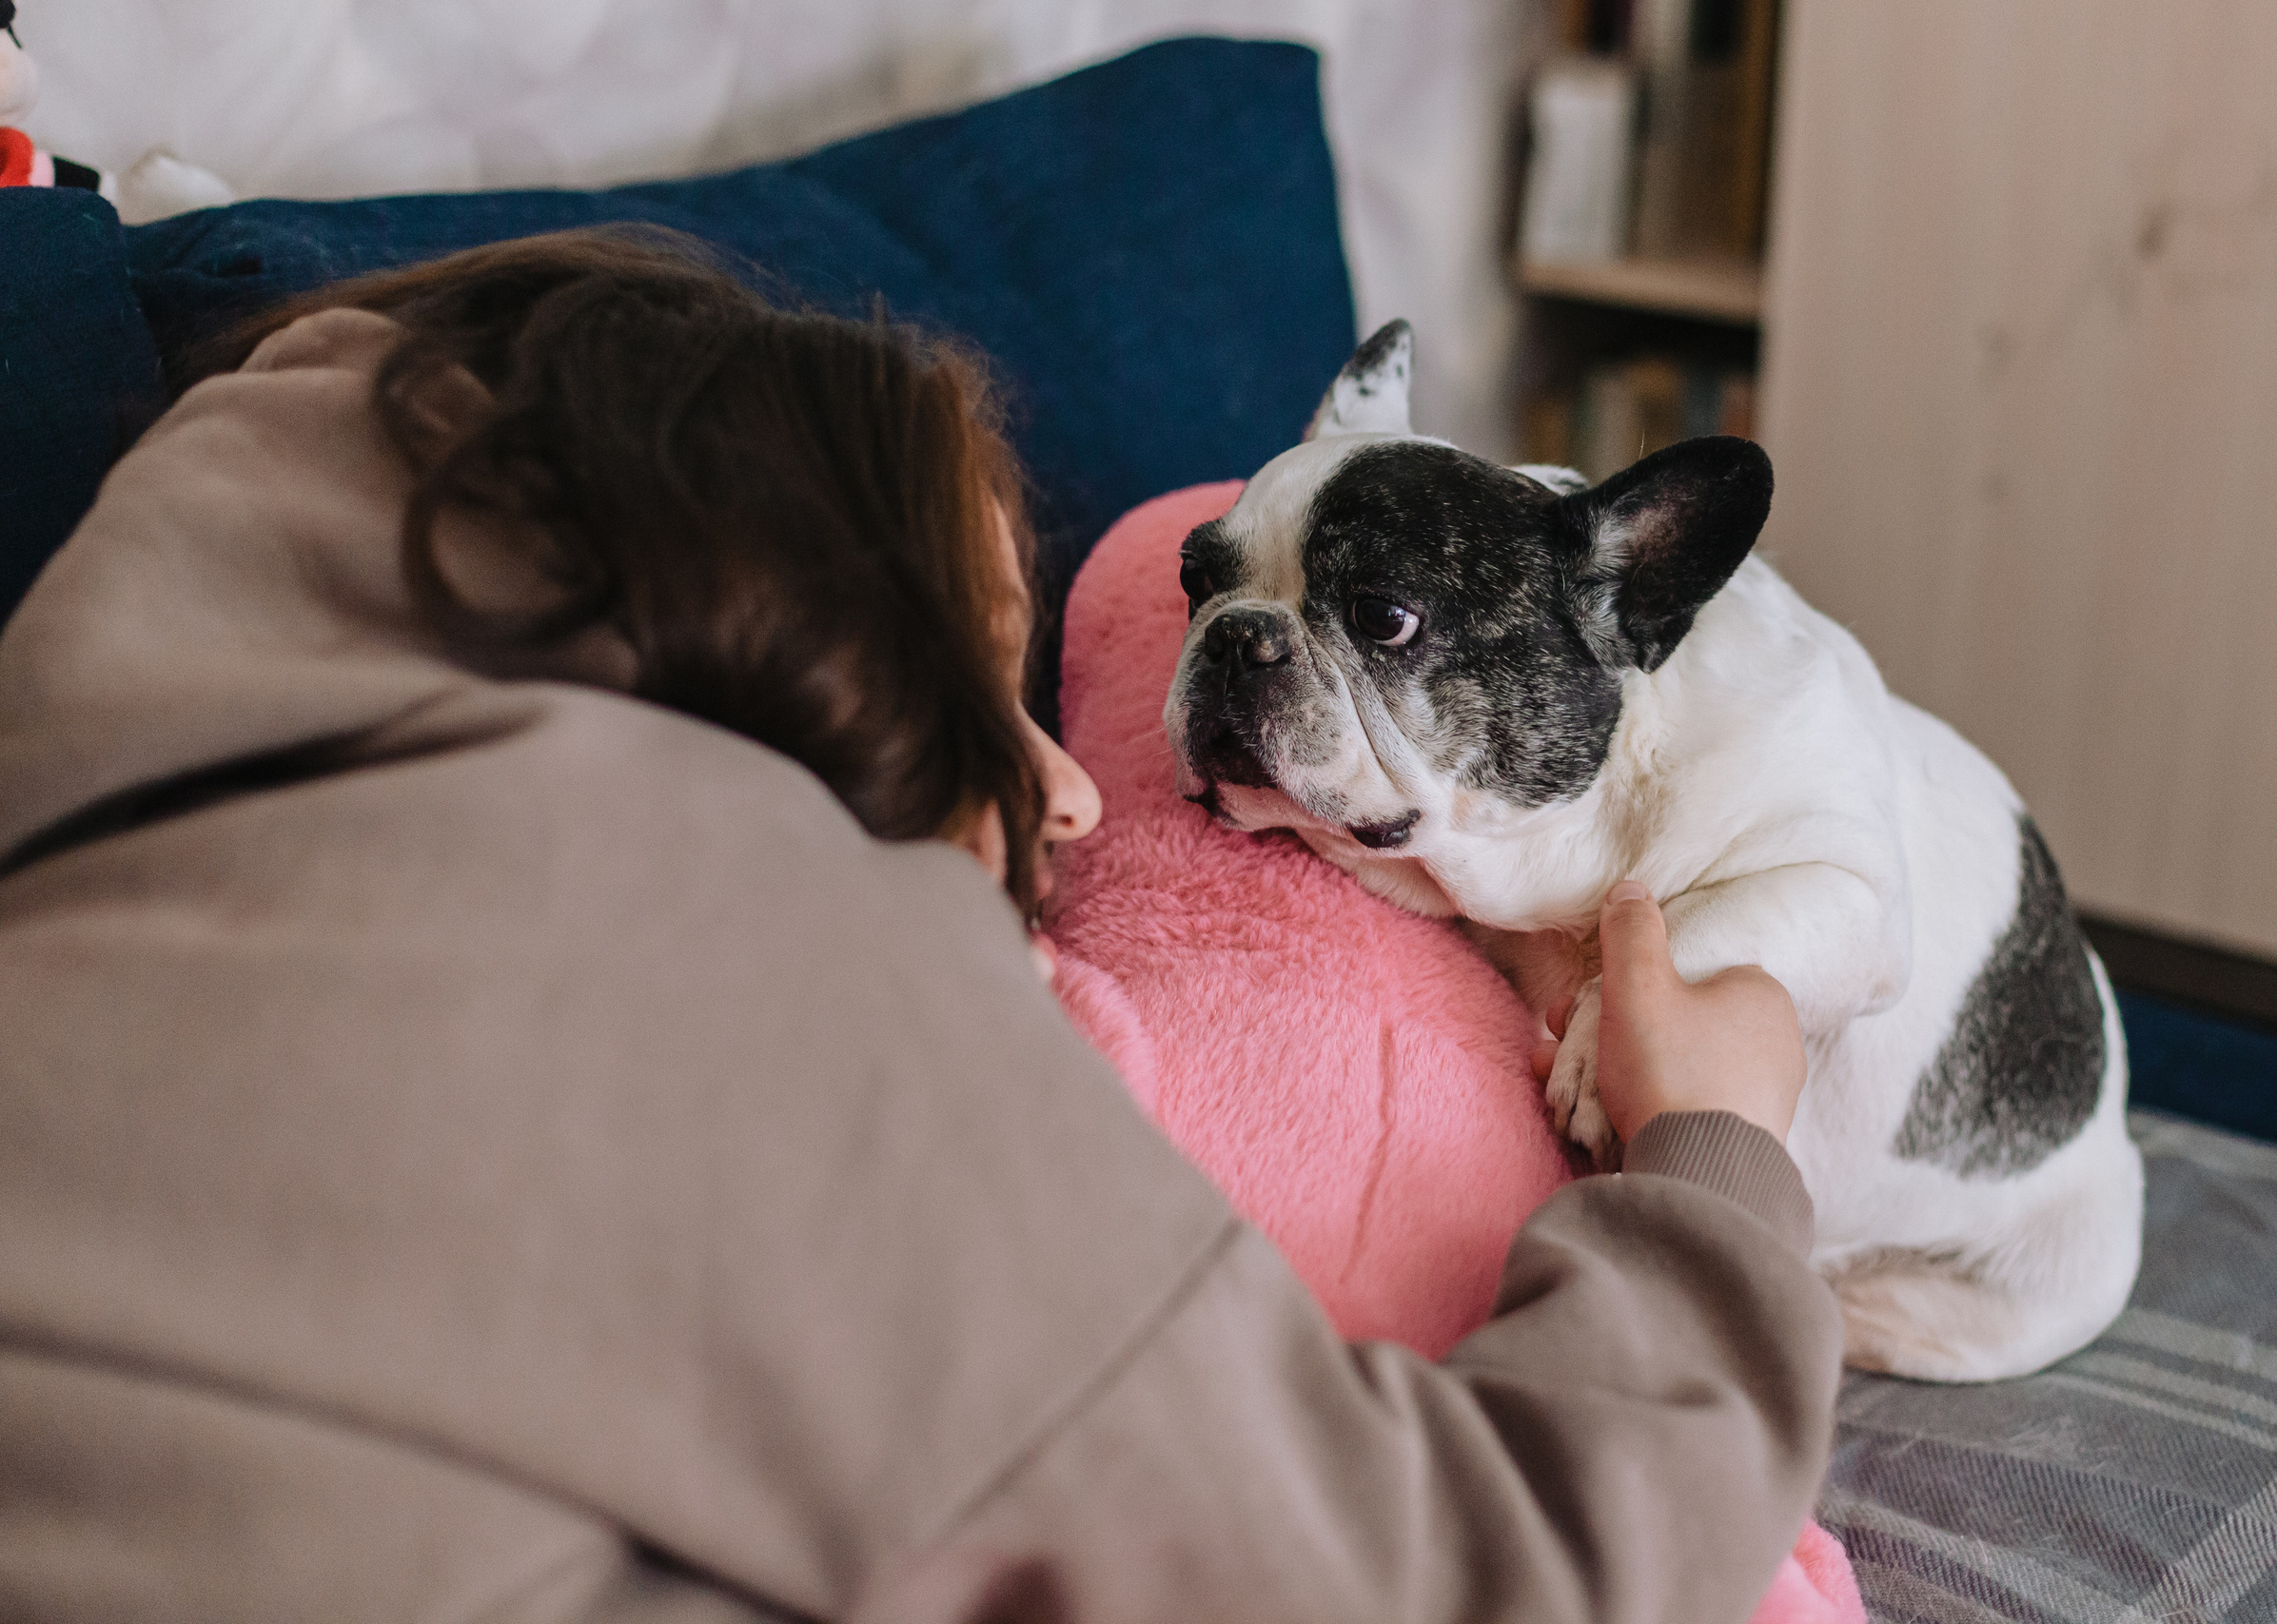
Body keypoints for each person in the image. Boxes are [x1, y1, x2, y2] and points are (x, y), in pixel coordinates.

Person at [0, 229, 1838, 1623]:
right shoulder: (787, 1009)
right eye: (984, 680)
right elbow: (1474, 1569)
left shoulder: (106, 798)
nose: (1075, 793)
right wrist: (1713, 1159)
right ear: (766, 637)